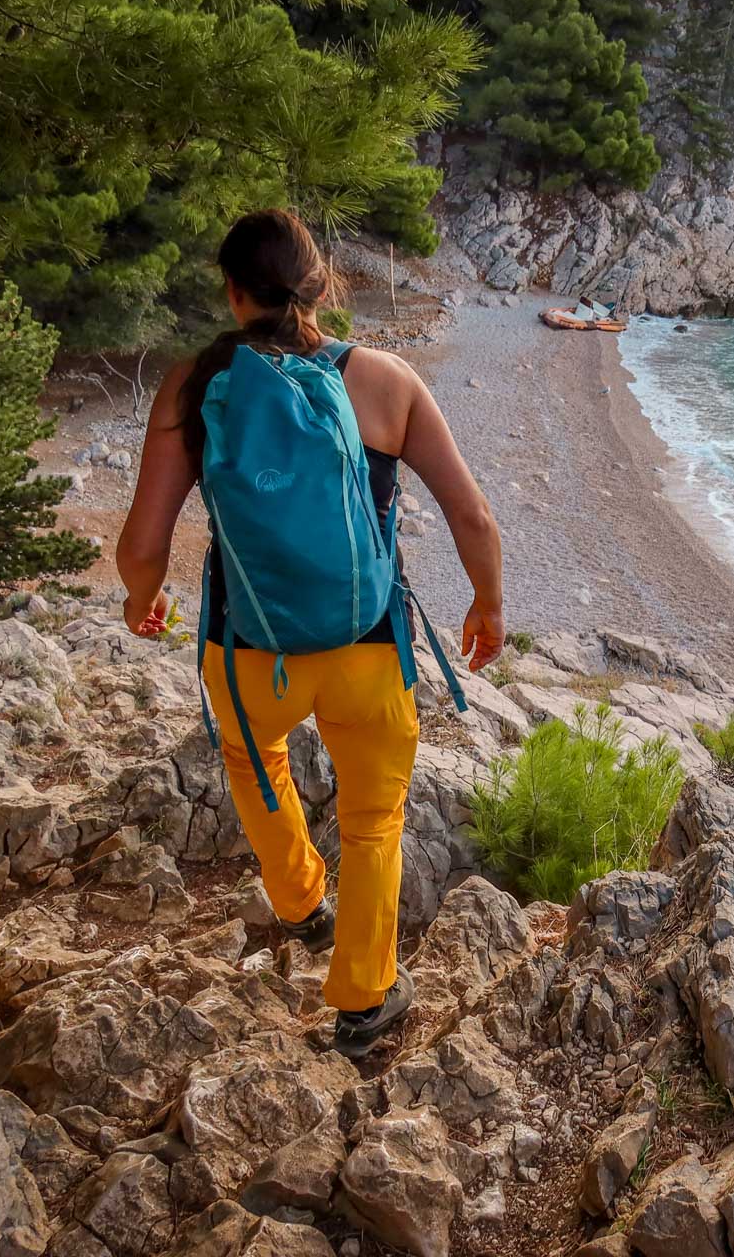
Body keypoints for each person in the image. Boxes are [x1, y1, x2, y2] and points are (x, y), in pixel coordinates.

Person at [116, 209, 504, 1057]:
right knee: (374, 820)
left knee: (256, 765)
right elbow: (471, 514)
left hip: (250, 650)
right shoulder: (385, 381)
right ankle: (365, 1003)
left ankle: (299, 903)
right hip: (366, 649)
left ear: (231, 291)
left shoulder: (194, 385)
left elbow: (143, 546)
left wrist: (141, 600)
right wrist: (487, 603)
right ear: (322, 285)